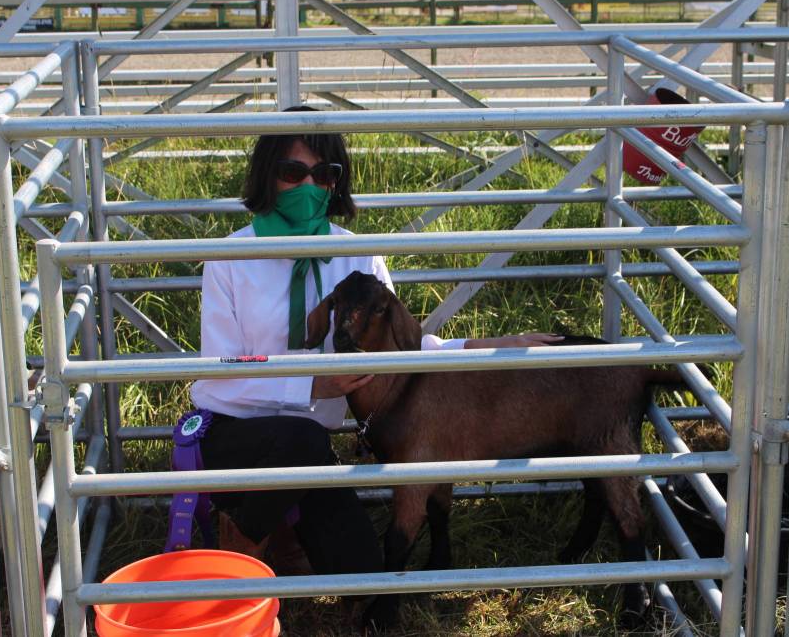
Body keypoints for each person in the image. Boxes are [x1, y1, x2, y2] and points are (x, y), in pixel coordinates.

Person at [188, 106, 561, 586]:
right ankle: (243, 538)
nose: (308, 186)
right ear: (267, 177)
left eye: (323, 174)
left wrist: (490, 346)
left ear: (336, 182)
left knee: (361, 573)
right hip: (240, 434)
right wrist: (311, 385)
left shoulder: (359, 254)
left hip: (314, 446)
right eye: (291, 172)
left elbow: (403, 350)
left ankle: (287, 524)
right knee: (300, 437)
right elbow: (216, 380)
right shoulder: (229, 260)